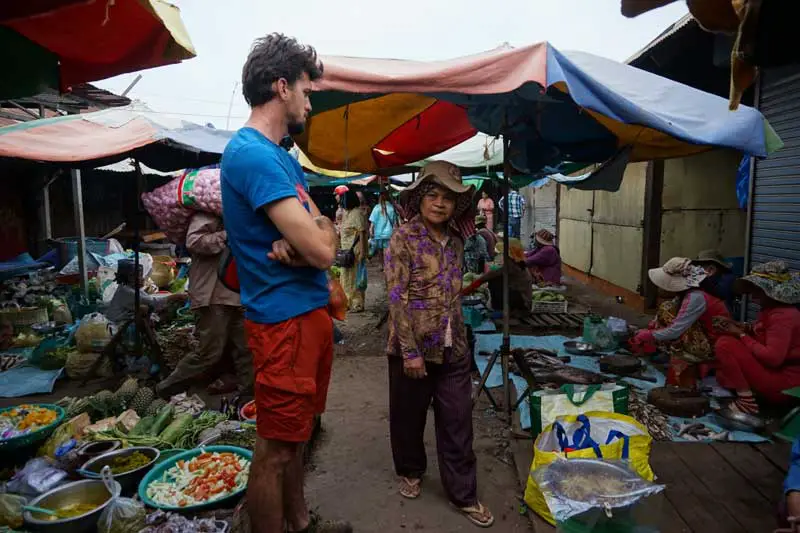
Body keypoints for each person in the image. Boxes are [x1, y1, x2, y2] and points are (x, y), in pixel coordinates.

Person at [220, 33, 351, 533]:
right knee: (274, 450)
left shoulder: (283, 159)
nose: (309, 100)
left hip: (307, 316)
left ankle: (300, 523)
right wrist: (314, 244)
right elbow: (322, 249)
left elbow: (329, 234)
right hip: (283, 323)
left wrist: (317, 240)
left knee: (297, 437)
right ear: (281, 87)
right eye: (305, 89)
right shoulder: (251, 154)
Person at [385, 160, 494, 528]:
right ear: (419, 198)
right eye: (432, 195)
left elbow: (454, 292)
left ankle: (464, 494)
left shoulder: (459, 242)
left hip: (454, 347)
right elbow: (396, 296)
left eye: (449, 198)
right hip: (411, 346)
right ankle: (411, 470)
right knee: (408, 417)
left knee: (458, 420)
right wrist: (410, 351)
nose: (440, 203)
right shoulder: (403, 238)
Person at [156, 212, 253, 398]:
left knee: (246, 349)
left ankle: (247, 397)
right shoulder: (207, 215)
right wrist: (228, 234)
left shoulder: (239, 215)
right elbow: (194, 242)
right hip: (212, 295)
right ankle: (165, 388)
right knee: (208, 352)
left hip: (238, 295)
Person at [713, 261, 800, 415]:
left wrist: (741, 334)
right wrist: (738, 326)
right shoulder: (772, 310)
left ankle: (747, 402)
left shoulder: (783, 316)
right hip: (779, 376)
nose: (752, 297)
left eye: (756, 291)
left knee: (725, 344)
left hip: (785, 384)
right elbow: (760, 330)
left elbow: (773, 358)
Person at [630, 257, 730, 386]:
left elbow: (675, 330)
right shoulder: (688, 293)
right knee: (666, 307)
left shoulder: (696, 297)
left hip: (715, 344)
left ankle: (685, 364)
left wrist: (648, 335)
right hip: (705, 334)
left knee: (675, 336)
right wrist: (651, 329)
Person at [339, 190, 368, 312]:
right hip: (346, 251)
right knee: (345, 278)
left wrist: (362, 252)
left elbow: (362, 233)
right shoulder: (347, 213)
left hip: (355, 251)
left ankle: (357, 304)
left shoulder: (357, 213)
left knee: (355, 278)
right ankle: (347, 302)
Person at [692, 249, 738, 314]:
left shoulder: (727, 279)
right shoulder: (713, 278)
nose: (697, 271)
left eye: (700, 267)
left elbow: (720, 295)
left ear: (711, 269)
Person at [369, 191, 397, 267]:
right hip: (389, 233)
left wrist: (371, 230)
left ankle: (381, 264)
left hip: (378, 233)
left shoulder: (376, 207)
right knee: (387, 250)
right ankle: (387, 265)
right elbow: (395, 222)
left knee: (379, 250)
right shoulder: (392, 207)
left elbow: (372, 222)